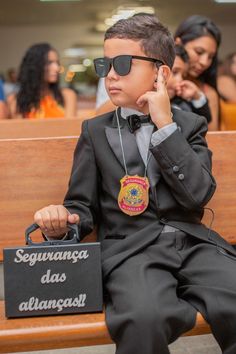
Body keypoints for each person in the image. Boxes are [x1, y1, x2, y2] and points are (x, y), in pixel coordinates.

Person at [34, 14, 236, 354]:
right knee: (143, 317)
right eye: (106, 64)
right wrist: (61, 225)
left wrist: (165, 126)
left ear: (161, 73)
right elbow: (81, 206)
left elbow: (198, 195)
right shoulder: (94, 132)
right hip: (132, 251)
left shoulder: (189, 125)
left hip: (193, 243)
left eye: (124, 63)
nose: (111, 75)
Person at [174, 15, 222, 130]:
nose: (204, 62)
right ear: (178, 43)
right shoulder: (159, 84)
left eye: (211, 57)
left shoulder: (208, 93)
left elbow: (213, 139)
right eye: (199, 52)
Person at [7, 43, 78, 118]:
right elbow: (18, 128)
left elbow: (70, 127)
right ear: (34, 66)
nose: (57, 68)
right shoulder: (15, 101)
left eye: (57, 63)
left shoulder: (67, 95)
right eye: (49, 63)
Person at [167, 44, 211, 123]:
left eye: (184, 76)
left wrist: (196, 96)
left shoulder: (181, 103)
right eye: (175, 72)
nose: (180, 80)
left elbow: (205, 121)